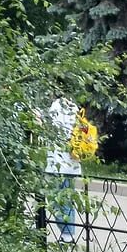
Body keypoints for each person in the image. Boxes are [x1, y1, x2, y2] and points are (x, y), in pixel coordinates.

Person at [46, 97, 82, 243]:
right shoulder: (75, 108)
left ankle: (67, 234)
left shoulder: (57, 106)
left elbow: (53, 130)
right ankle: (68, 234)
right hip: (72, 164)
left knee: (57, 200)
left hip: (59, 164)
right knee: (66, 199)